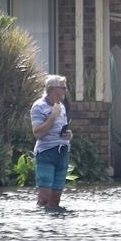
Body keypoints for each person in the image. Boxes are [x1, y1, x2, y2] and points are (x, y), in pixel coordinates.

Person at [31, 74, 73, 210]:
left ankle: (55, 226)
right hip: (46, 153)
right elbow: (38, 133)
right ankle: (43, 225)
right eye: (63, 88)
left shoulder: (62, 107)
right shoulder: (38, 106)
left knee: (56, 198)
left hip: (62, 153)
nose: (66, 91)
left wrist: (68, 135)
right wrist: (52, 117)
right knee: (44, 198)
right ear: (53, 89)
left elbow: (61, 130)